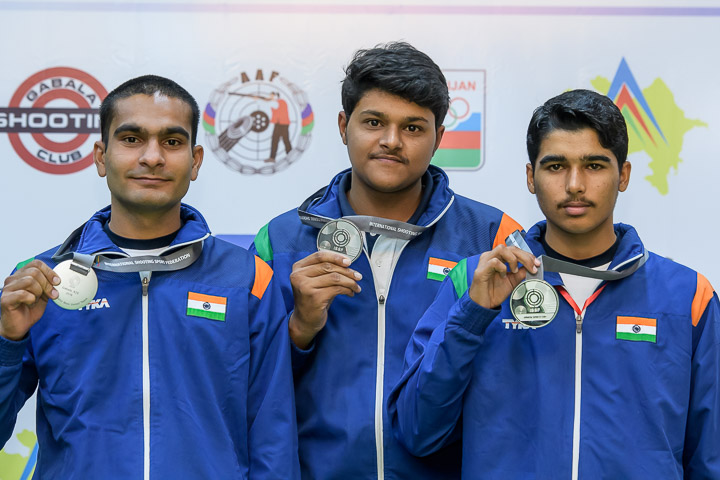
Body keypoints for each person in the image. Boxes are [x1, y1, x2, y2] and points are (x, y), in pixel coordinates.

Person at [388, 89, 720, 478]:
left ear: (624, 175)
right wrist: (473, 316)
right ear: (531, 177)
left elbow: (709, 458)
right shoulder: (473, 280)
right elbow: (417, 432)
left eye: (595, 165)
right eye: (555, 166)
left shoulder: (687, 296)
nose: (575, 184)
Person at [0, 75, 299, 479]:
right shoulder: (42, 281)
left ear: (195, 162)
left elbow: (272, 435)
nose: (153, 157)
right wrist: (7, 341)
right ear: (101, 156)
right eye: (132, 139)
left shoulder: (248, 279)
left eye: (172, 142)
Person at [250, 42, 522, 479]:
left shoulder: (493, 238)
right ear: (344, 126)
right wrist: (299, 330)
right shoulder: (279, 241)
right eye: (374, 122)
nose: (391, 142)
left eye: (413, 128)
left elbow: (515, 385)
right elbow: (245, 387)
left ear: (440, 138)